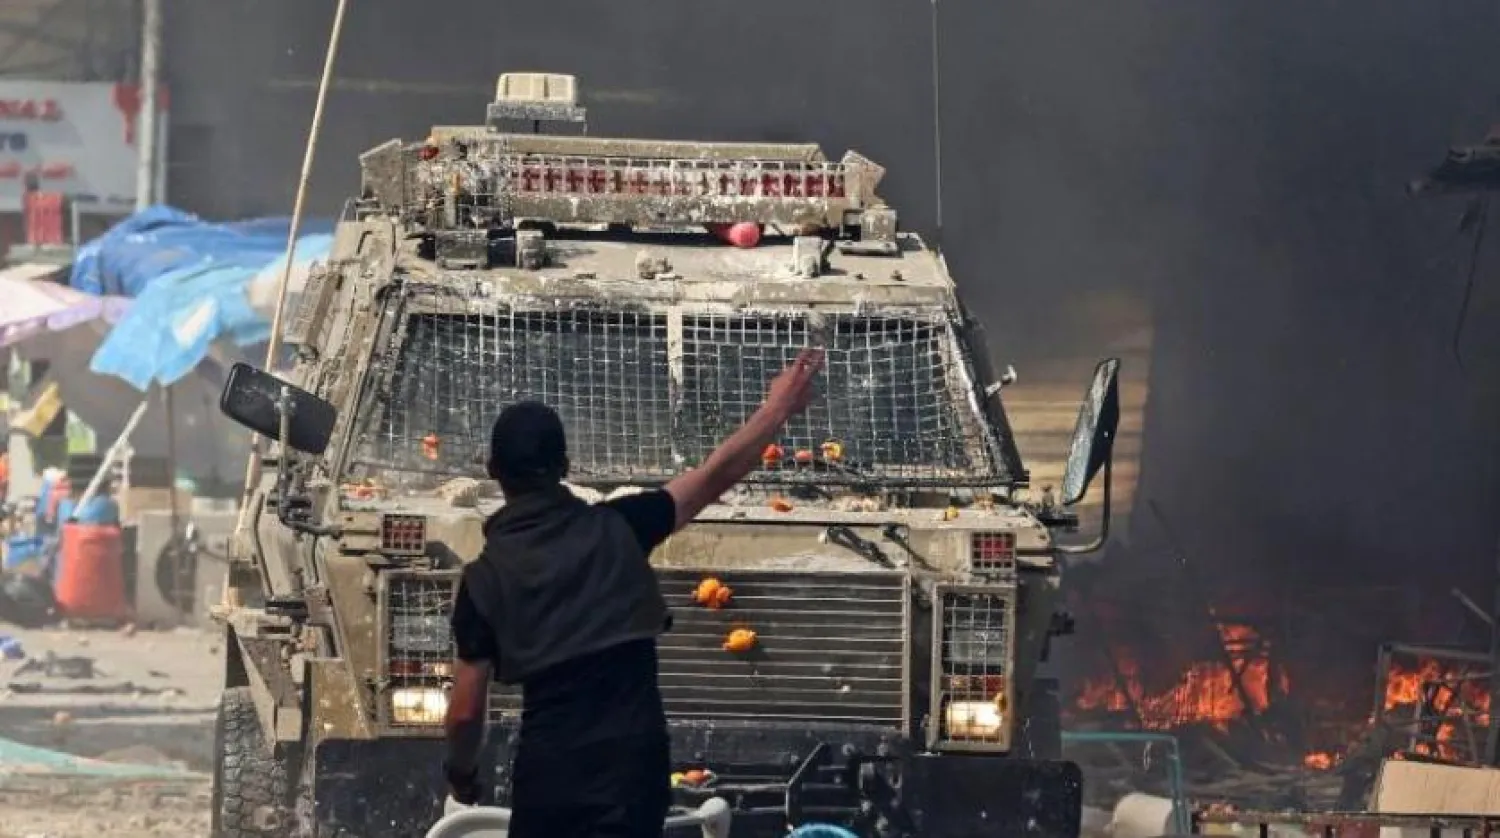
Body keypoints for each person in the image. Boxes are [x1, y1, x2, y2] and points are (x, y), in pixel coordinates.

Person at [443, 347, 825, 838]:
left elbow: (466, 713)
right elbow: (715, 474)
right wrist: (778, 408)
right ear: (565, 465)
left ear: (493, 469)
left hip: (551, 778)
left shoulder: (483, 582)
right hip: (634, 776)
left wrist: (462, 775)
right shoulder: (623, 527)